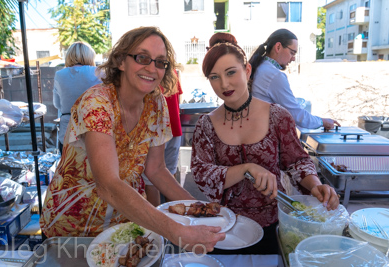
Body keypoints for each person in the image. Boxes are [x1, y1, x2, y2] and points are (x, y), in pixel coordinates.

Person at [40, 26, 225, 253]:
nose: (152, 68)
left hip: (125, 226)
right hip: (73, 230)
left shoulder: (156, 104)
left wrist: (200, 210)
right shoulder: (97, 103)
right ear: (120, 61)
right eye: (142, 58)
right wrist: (178, 232)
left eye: (160, 62)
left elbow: (156, 169)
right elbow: (108, 185)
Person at [191, 32, 340, 255]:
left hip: (274, 223)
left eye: (231, 72)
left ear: (247, 70)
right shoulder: (206, 125)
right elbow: (202, 173)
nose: (224, 84)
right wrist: (245, 169)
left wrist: (315, 185)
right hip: (224, 227)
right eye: (214, 77)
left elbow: (298, 161)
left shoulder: (278, 116)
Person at [249, 29, 340, 130]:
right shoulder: (274, 75)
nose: (293, 58)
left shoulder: (260, 66)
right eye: (292, 52)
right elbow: (297, 115)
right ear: (278, 47)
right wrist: (322, 122)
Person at [53, 41, 102, 155]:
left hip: (68, 130)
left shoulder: (59, 75)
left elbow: (57, 104)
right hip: (93, 129)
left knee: (70, 169)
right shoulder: (99, 73)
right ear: (90, 56)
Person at [143, 69, 183, 207]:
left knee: (151, 179)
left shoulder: (148, 75)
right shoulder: (173, 73)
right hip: (174, 127)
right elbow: (179, 100)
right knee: (170, 172)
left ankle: (156, 220)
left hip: (154, 129)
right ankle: (176, 213)